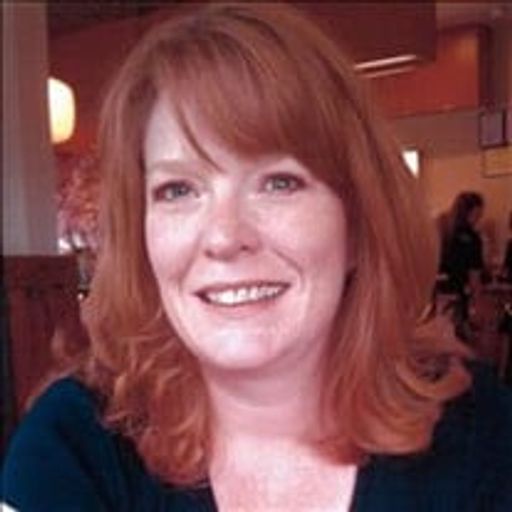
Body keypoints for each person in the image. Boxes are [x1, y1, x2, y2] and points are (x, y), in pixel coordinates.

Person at [2, 4, 512, 511]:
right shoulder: (76, 444)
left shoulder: (479, 434)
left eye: (279, 182)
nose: (225, 237)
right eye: (178, 190)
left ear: (358, 222)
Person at [437, 192, 487, 341]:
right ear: (471, 212)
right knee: (461, 342)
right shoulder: (473, 239)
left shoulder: (441, 230)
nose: (480, 218)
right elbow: (474, 278)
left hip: (436, 295)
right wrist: (478, 307)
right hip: (457, 298)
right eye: (478, 214)